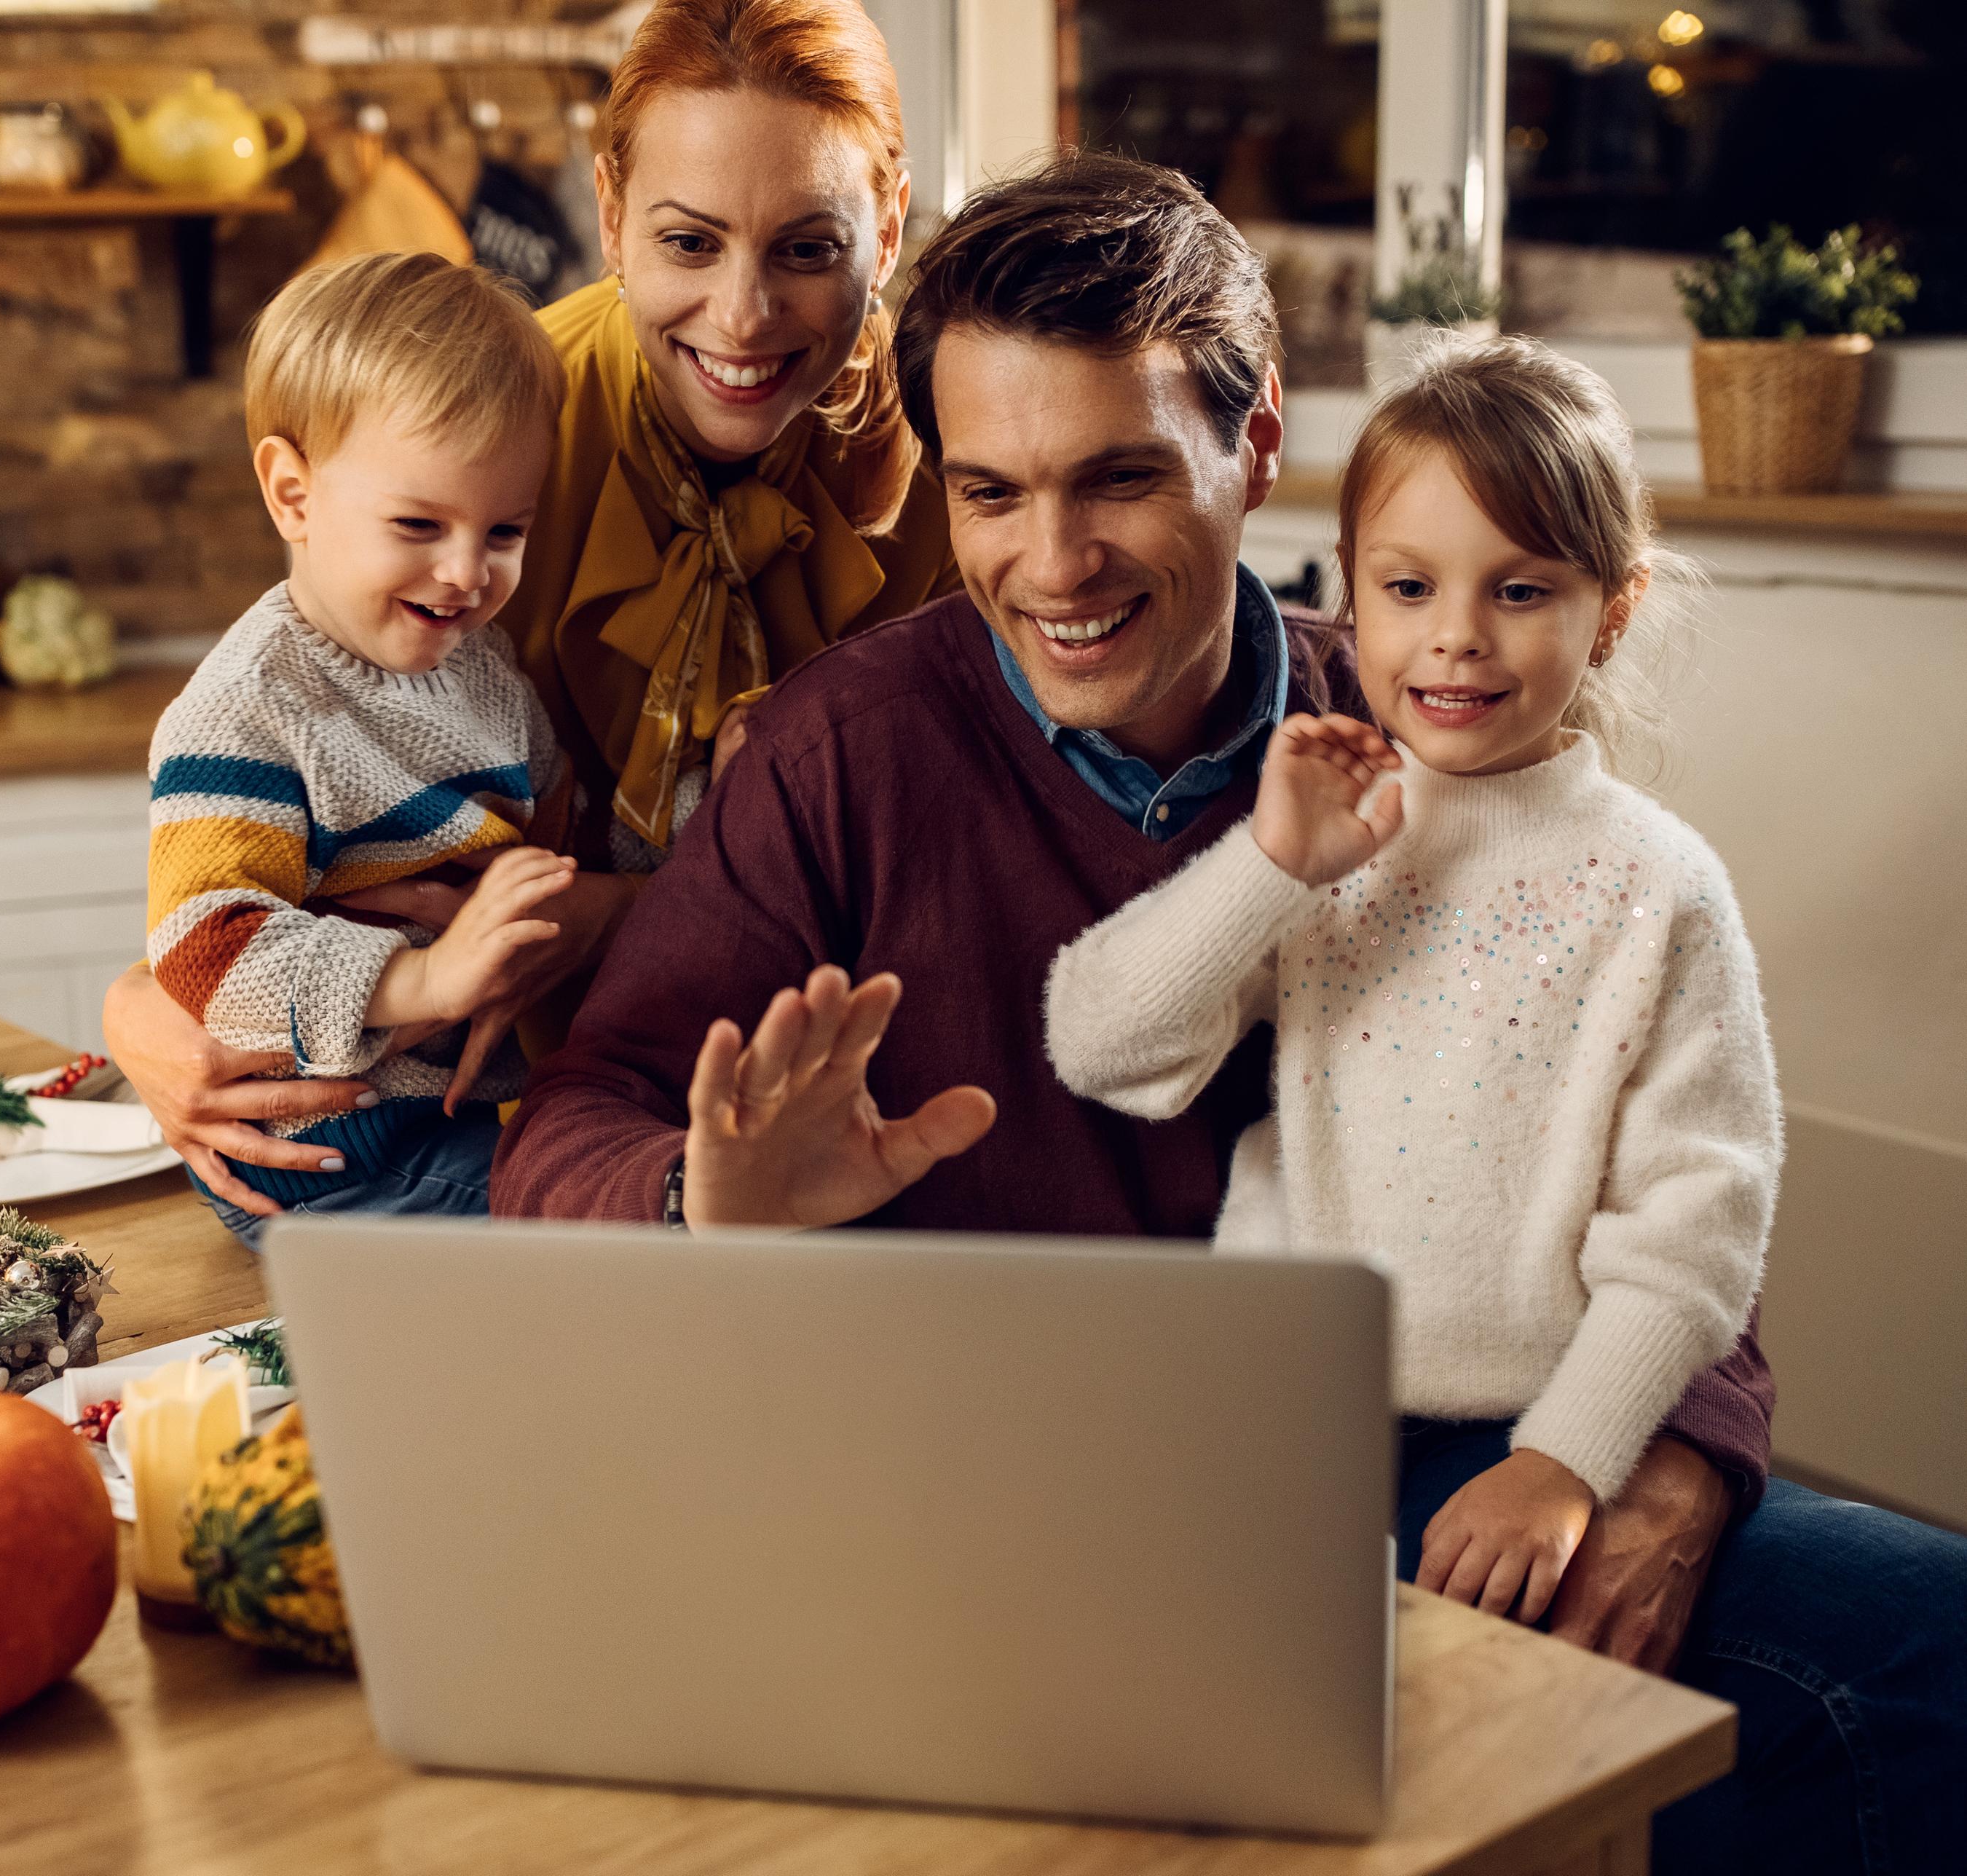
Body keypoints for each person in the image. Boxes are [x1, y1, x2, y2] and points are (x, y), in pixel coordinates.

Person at [495, 151, 1967, 1874]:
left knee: (1923, 1665)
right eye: (989, 493)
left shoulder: (1431, 717)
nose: (1052, 564)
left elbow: (1674, 1177)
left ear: (1257, 439)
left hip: (1403, 1481)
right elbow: (575, 1123)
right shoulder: (842, 754)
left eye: (1120, 478)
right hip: (993, 1515)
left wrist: (1678, 1467)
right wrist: (705, 1195)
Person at [104, 0, 956, 1222]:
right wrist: (139, 1003)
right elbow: (268, 821)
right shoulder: (490, 437)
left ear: (885, 224)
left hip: (854, 1096)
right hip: (520, 1117)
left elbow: (966, 876)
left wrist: (615, 907)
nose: (744, 317)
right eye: (690, 243)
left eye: (808, 250)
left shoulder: (964, 471)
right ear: (611, 215)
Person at [1045, 334, 1778, 1627]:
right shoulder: (1322, 830)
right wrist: (1273, 866)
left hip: (1530, 1438)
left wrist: (1565, 1462)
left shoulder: (1660, 887)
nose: (1455, 641)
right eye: (1409, 586)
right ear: (1354, 595)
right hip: (1286, 1432)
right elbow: (1098, 1041)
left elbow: (1695, 1236)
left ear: (1611, 614)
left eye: (1520, 592)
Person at [146, 253, 612, 1244]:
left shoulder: (485, 676)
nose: (465, 572)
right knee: (592, 1240)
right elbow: (206, 950)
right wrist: (432, 984)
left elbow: (567, 836)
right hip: (317, 1145)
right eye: (418, 524)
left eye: (505, 531)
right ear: (293, 494)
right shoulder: (249, 706)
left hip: (447, 1115)